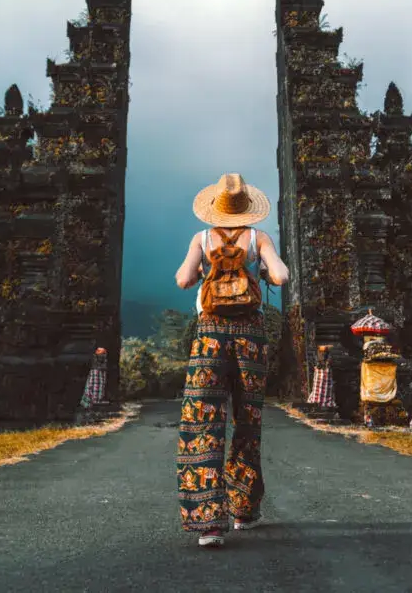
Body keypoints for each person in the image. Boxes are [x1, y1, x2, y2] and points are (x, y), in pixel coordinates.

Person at [174, 173, 289, 548]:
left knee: (202, 420)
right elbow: (281, 275)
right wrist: (263, 269)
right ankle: (243, 510)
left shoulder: (202, 239)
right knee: (247, 419)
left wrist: (205, 272)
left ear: (215, 208)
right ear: (247, 208)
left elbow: (182, 280)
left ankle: (208, 524)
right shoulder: (258, 238)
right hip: (250, 337)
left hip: (208, 335)